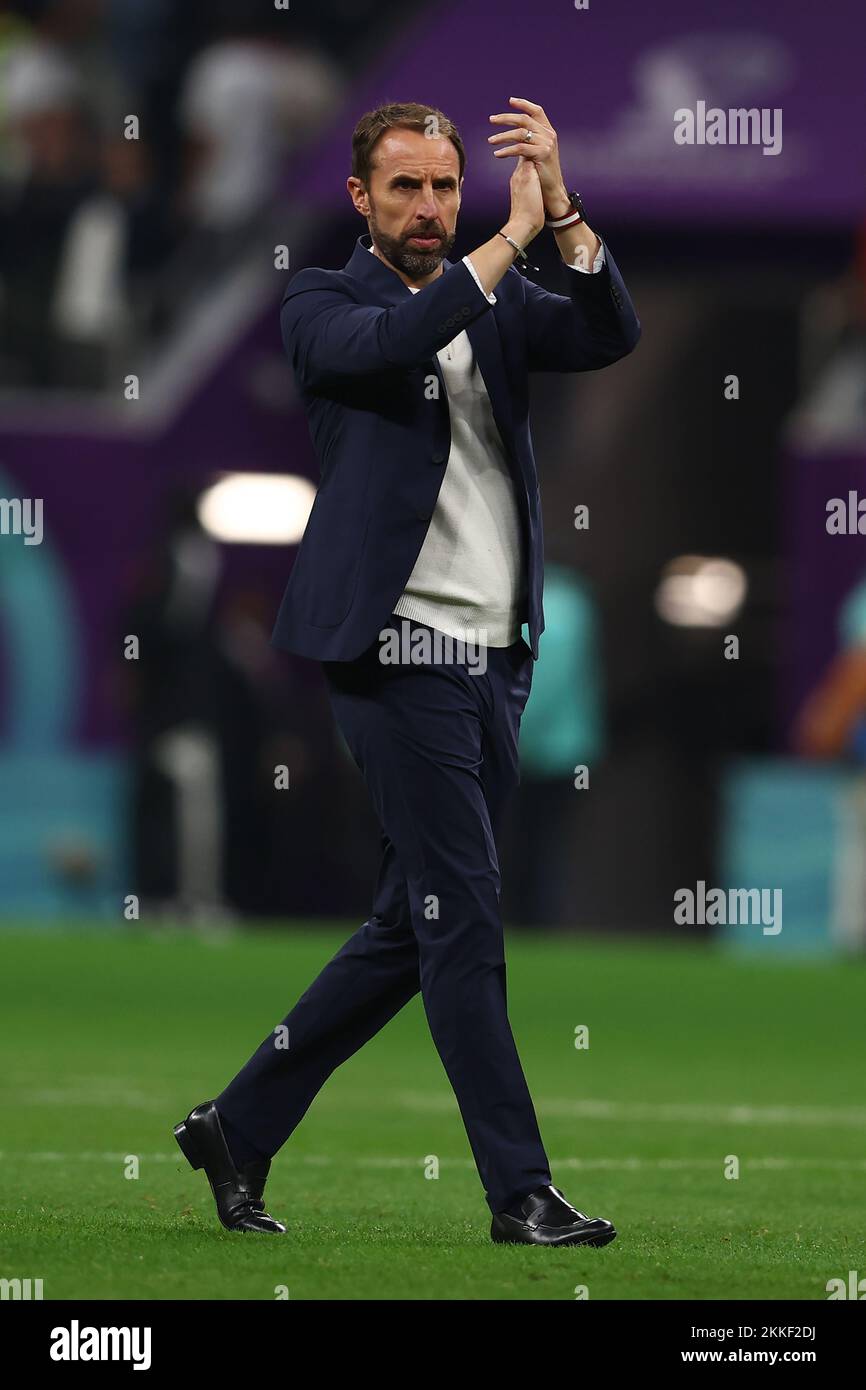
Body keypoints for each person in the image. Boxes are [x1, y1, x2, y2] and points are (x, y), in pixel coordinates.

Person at [174, 98, 640, 1246]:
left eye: (445, 186)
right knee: (467, 917)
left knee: (413, 924)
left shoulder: (494, 298)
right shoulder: (320, 301)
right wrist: (501, 246)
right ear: (358, 200)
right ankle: (518, 1192)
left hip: (493, 657)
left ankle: (237, 1123)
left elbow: (605, 334)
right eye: (406, 189)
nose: (430, 207)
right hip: (396, 653)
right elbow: (389, 347)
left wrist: (564, 212)